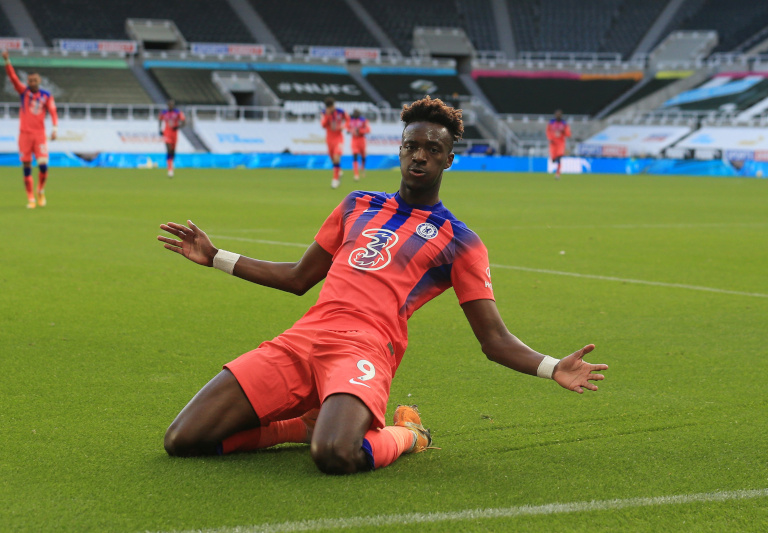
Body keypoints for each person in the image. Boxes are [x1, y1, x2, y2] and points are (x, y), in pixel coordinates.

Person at [157, 96, 607, 476]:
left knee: (335, 455)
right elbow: (297, 279)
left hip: (365, 349)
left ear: (450, 159)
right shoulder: (357, 205)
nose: (420, 156)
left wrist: (552, 367)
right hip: (305, 338)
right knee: (183, 440)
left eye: (433, 149)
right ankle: (301, 425)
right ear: (400, 149)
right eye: (412, 145)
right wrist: (216, 257)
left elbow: (494, 340)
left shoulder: (461, 243)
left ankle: (409, 433)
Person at [2, 50, 58, 209]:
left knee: (43, 165)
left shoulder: (46, 96)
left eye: (34, 80)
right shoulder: (23, 92)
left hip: (39, 135)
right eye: (30, 80)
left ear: (39, 80)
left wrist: (54, 128)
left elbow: (53, 112)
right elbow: (13, 79)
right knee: (26, 166)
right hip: (24, 135)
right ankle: (31, 198)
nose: (32, 82)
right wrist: (7, 61)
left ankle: (40, 190)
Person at [321, 97, 349, 189]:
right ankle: (338, 171)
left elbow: (348, 120)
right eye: (330, 107)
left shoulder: (341, 112)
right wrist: (327, 116)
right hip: (329, 139)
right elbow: (323, 125)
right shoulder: (324, 113)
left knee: (337, 157)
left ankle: (335, 180)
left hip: (338, 138)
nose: (332, 108)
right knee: (333, 159)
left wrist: (343, 126)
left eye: (332, 106)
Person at [158, 100, 185, 178]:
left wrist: (178, 126)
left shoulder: (178, 112)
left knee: (173, 151)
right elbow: (160, 120)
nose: (171, 106)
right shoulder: (164, 113)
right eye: (169, 104)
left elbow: (184, 121)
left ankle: (171, 163)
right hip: (166, 133)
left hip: (174, 134)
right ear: (167, 105)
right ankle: (170, 169)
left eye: (172, 104)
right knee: (169, 149)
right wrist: (160, 129)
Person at [546, 109, 571, 179]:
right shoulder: (551, 122)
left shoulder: (564, 123)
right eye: (557, 114)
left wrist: (565, 132)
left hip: (560, 143)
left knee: (559, 158)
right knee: (553, 159)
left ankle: (558, 173)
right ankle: (554, 159)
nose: (558, 116)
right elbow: (548, 131)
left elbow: (568, 134)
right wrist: (550, 138)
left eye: (559, 115)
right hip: (553, 144)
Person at [349, 109, 370, 181]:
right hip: (354, 140)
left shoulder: (363, 120)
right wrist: (349, 130)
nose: (355, 115)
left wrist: (360, 131)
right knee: (355, 155)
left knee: (363, 156)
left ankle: (363, 169)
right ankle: (356, 174)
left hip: (361, 140)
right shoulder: (350, 120)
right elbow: (347, 128)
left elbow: (368, 130)